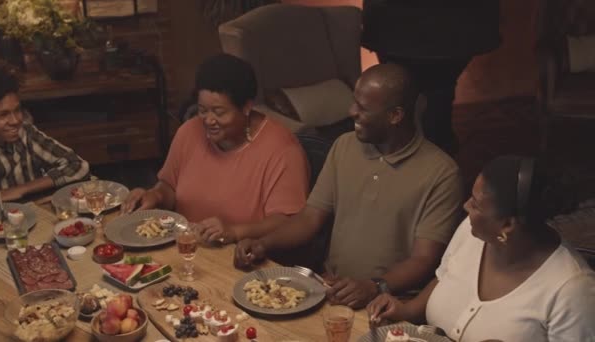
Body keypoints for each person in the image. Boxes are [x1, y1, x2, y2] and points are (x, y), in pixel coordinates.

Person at [234, 63, 463, 309]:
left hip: (389, 304)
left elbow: (424, 259)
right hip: (330, 289)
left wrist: (374, 286)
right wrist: (262, 243)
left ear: (395, 115)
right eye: (354, 102)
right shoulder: (344, 145)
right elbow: (310, 218)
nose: (351, 111)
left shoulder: (442, 173)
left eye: (363, 108)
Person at [367, 156, 595, 341]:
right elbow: (445, 278)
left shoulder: (572, 290)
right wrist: (406, 311)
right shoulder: (472, 231)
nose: (466, 207)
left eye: (475, 204)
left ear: (507, 224)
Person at [122, 53, 309, 244]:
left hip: (244, 259)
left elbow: (287, 222)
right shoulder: (188, 132)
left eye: (219, 112)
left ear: (246, 107)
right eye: (203, 110)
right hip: (187, 248)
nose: (209, 120)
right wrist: (155, 195)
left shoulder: (282, 150)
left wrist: (234, 232)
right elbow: (170, 187)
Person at [362, 0, 501, 154]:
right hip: (400, 24)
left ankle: (430, 150)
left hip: (405, 24)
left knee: (433, 92)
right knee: (435, 93)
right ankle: (434, 149)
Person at [0, 63, 90, 201]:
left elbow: (78, 165)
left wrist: (21, 189)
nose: (15, 120)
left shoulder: (25, 133)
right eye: (3, 115)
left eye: (17, 110)